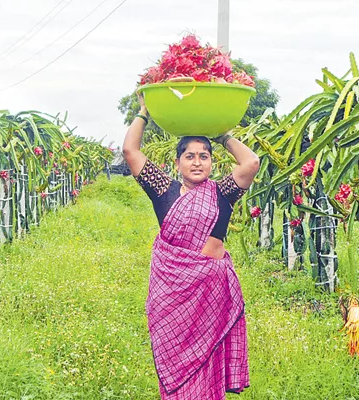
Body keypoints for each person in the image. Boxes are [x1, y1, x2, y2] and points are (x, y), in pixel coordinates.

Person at [122, 93, 260, 399]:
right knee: (175, 366)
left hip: (210, 299)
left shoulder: (222, 192)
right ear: (177, 162)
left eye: (204, 156)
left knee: (207, 364)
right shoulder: (164, 191)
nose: (197, 162)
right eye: (190, 156)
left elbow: (251, 162)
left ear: (212, 161)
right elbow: (130, 150)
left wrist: (223, 133)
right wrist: (144, 112)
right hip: (171, 299)